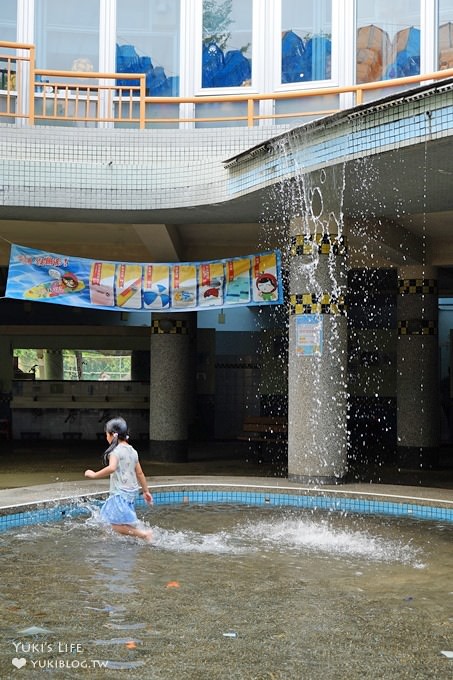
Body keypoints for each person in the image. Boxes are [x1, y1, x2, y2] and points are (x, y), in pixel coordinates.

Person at [84, 416, 153, 541]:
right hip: (130, 493)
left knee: (112, 523)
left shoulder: (115, 452)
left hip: (120, 494)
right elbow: (140, 473)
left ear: (112, 435)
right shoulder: (133, 451)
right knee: (108, 518)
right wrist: (146, 491)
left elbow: (112, 468)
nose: (106, 438)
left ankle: (143, 534)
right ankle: (106, 537)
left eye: (106, 435)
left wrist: (94, 474)